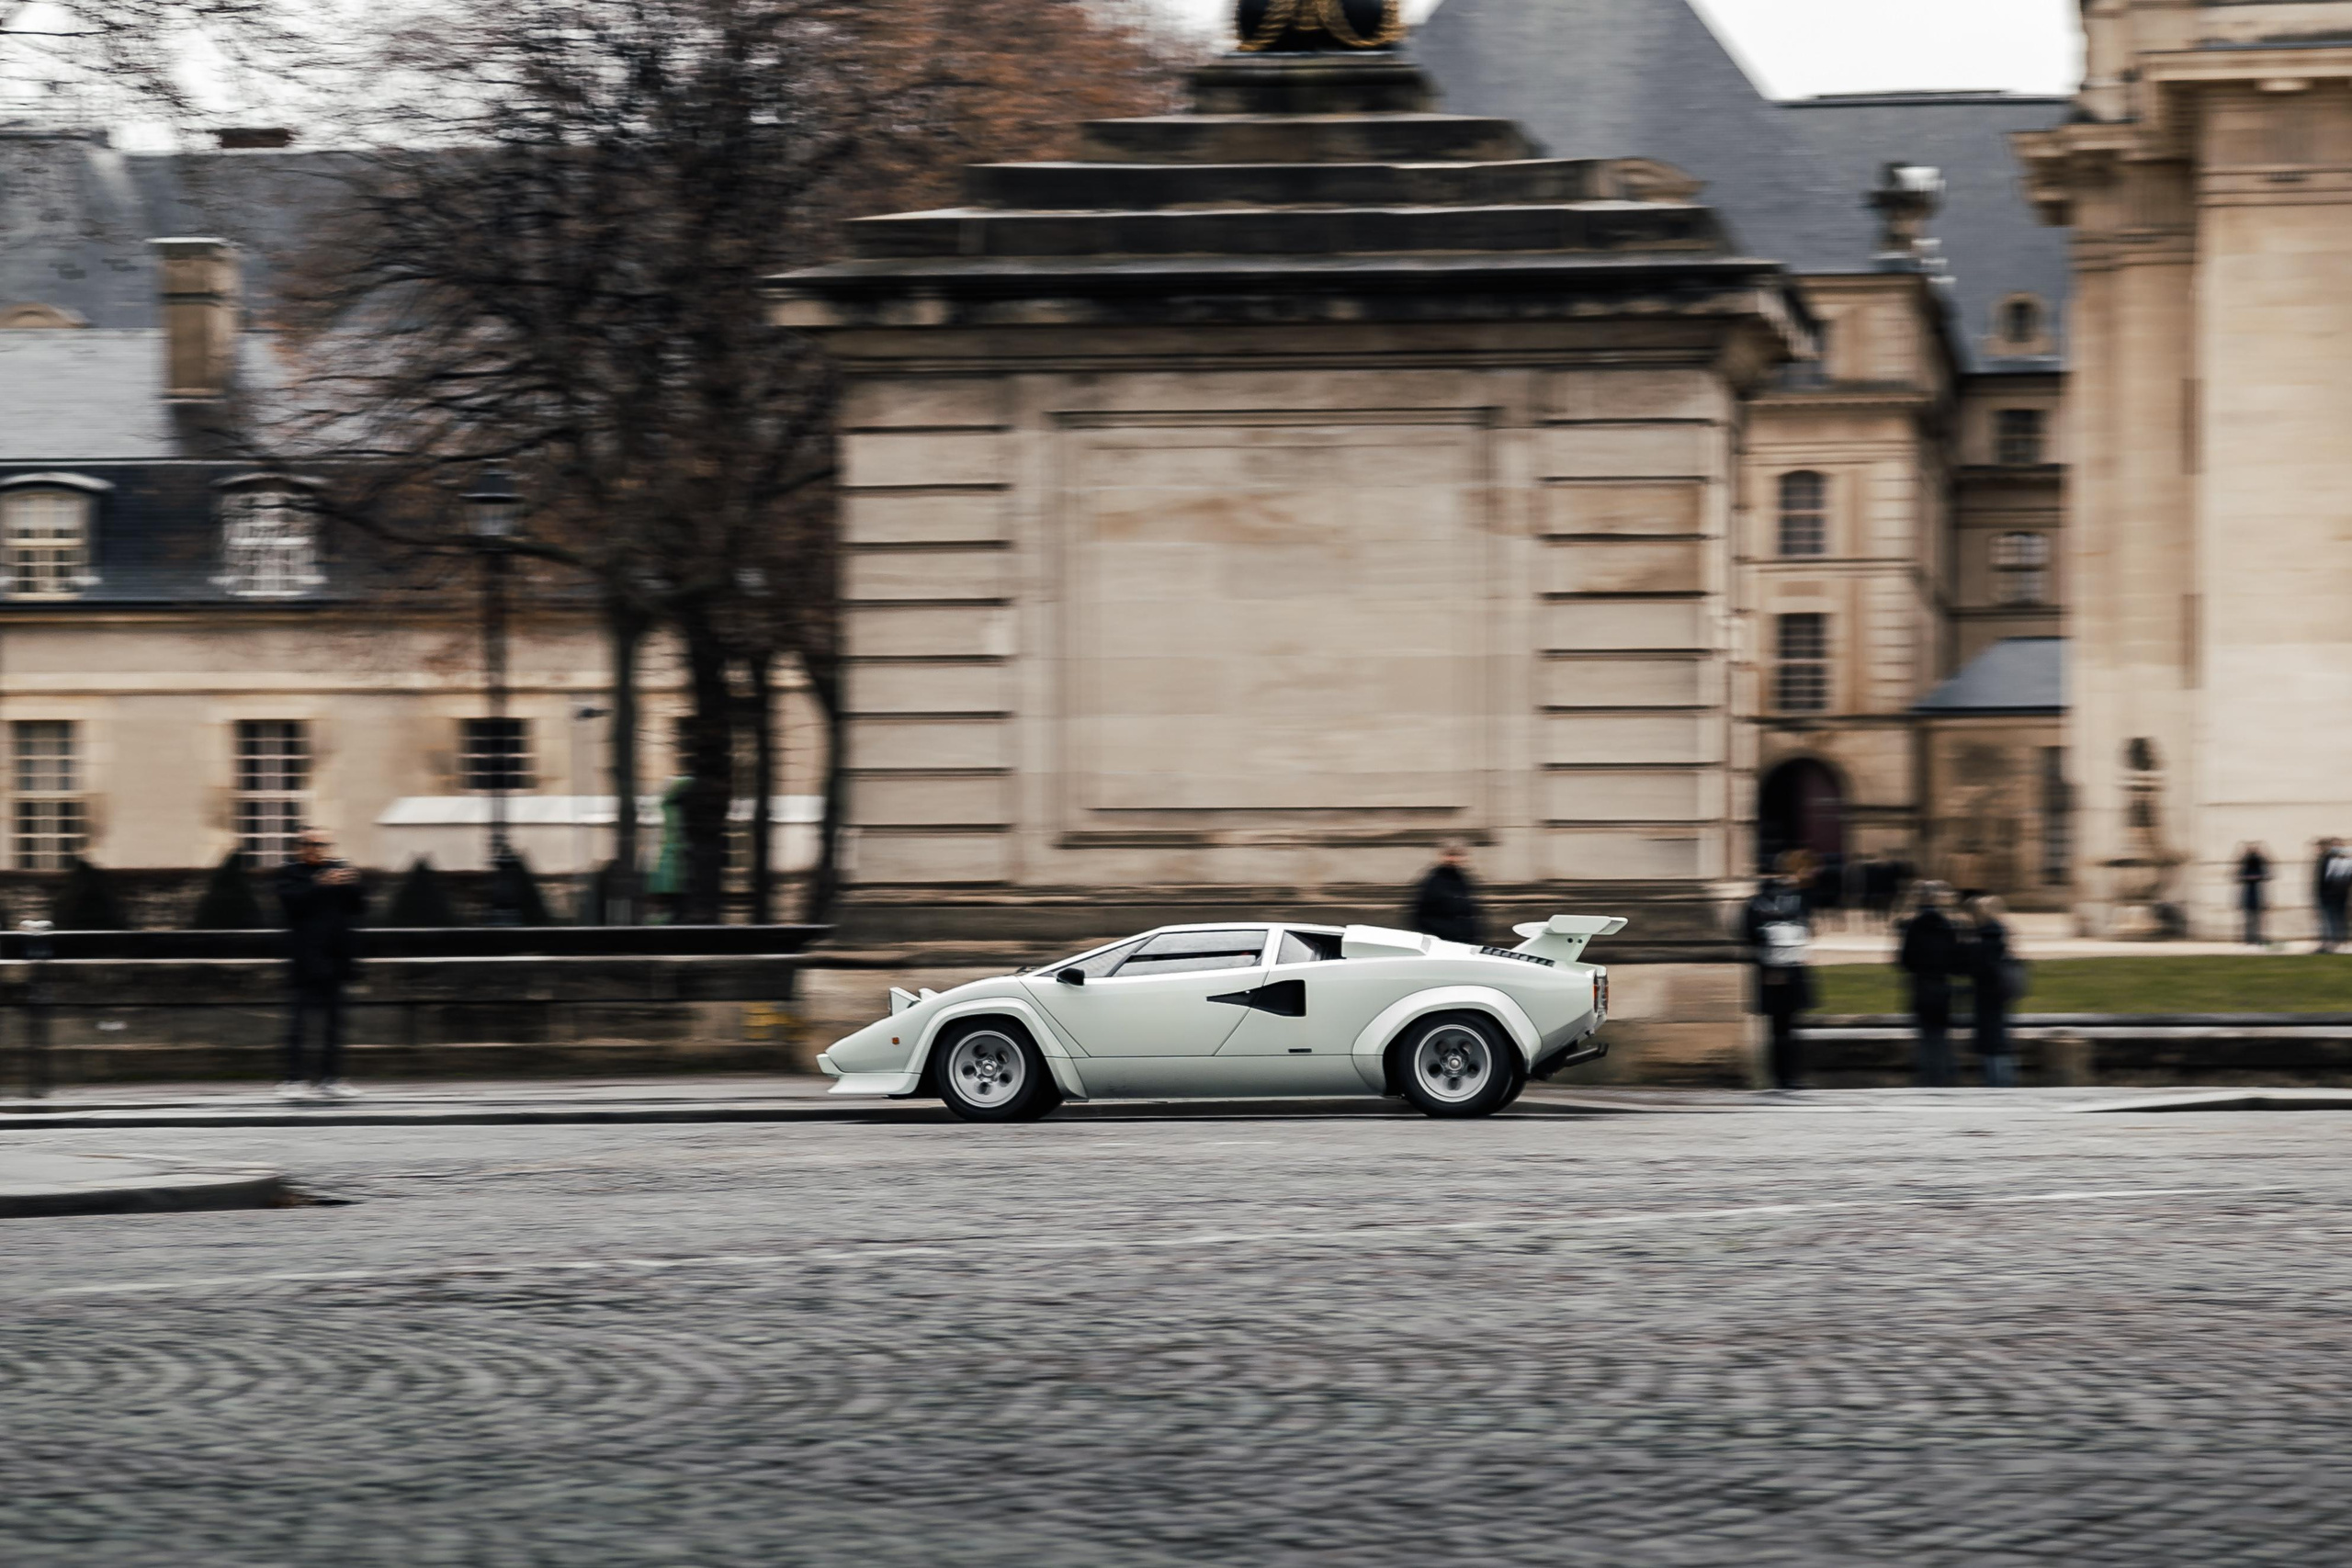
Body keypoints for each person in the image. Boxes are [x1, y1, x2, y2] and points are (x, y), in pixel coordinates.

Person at [276, 828, 366, 1100]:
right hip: (306, 958)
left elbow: (359, 907)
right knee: (299, 1022)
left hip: (337, 957)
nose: (316, 849)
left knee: (335, 1024)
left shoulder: (339, 870)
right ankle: (293, 1079)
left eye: (322, 844)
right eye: (311, 844)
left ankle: (331, 1079)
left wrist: (352, 883)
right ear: (300, 847)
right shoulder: (291, 873)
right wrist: (319, 884)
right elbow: (291, 904)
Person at [1744, 852, 1816, 1089]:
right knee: (1791, 1028)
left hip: (1770, 971)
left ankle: (1778, 1076)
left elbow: (1748, 935)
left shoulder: (1755, 903)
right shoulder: (1796, 899)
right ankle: (1791, 1076)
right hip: (1793, 969)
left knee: (1776, 1030)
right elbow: (1807, 927)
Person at [1897, 881, 1962, 1087]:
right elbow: (1955, 960)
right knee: (1942, 1038)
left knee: (1925, 1039)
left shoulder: (1913, 927)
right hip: (1942, 987)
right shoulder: (1947, 926)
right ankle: (1946, 1081)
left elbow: (1904, 961)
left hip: (1921, 986)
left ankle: (1927, 1083)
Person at [1965, 893, 2018, 1087]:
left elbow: (1977, 967)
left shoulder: (1983, 938)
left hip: (1986, 997)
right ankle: (2005, 1082)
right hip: (2002, 994)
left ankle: (1996, 1086)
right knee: (2001, 1042)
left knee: (1991, 1046)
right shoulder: (2001, 933)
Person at [1408, 840, 1484, 945]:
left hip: (1464, 943)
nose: (1453, 859)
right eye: (1450, 855)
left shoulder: (1464, 880)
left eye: (1458, 855)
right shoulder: (1432, 881)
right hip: (1443, 943)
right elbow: (1421, 916)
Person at [2318, 839, 2352, 954]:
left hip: (2340, 895)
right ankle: (2333, 941)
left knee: (2339, 919)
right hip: (2330, 895)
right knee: (2330, 919)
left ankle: (2340, 940)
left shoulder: (2346, 861)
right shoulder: (2328, 859)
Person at [2237, 842, 2271, 948]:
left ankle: (2255, 938)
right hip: (2251, 895)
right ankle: (2250, 939)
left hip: (2256, 895)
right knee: (2251, 919)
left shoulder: (2258, 862)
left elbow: (2267, 874)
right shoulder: (2246, 862)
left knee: (2256, 919)